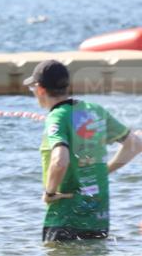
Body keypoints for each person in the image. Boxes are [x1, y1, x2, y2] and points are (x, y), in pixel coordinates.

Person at [26, 60, 141, 243]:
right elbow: (135, 143)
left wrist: (49, 193)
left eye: (33, 90)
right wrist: (105, 170)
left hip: (66, 216)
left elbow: (60, 160)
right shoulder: (95, 111)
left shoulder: (57, 116)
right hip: (98, 216)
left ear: (40, 89)